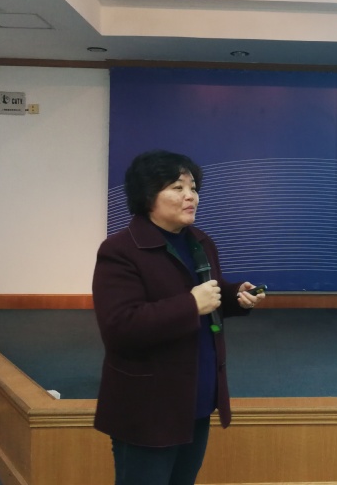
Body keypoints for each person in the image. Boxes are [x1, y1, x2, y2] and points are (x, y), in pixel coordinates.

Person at [92, 149, 266, 485]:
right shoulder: (120, 250)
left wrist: (234, 296)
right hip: (148, 407)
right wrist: (190, 305)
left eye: (193, 188)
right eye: (177, 187)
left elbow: (208, 292)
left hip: (196, 397)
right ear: (147, 196)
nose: (191, 196)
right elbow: (119, 326)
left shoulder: (200, 242)